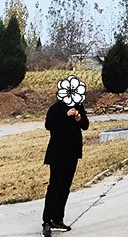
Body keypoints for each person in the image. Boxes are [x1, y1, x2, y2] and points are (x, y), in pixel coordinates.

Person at [42, 95, 89, 235]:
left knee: (65, 187)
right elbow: (49, 125)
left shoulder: (79, 107)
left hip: (73, 152)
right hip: (57, 154)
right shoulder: (55, 109)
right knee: (54, 186)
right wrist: (65, 116)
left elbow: (85, 125)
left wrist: (80, 120)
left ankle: (58, 219)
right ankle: (47, 221)